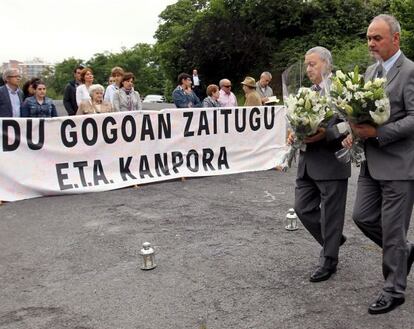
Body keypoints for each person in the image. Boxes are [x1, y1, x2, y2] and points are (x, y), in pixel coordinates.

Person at [342, 14, 414, 315]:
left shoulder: (410, 71)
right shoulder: (370, 71)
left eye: (377, 38)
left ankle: (394, 290)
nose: (371, 43)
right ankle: (404, 252)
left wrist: (379, 133)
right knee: (362, 216)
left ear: (395, 39)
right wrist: (352, 127)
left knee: (393, 230)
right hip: (372, 163)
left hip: (399, 164)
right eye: (369, 37)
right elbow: (361, 111)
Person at [291, 46, 350, 283]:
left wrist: (325, 133)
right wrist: (293, 133)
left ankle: (329, 261)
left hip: (331, 162)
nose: (308, 69)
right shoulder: (306, 92)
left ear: (327, 65)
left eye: (312, 64)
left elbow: (351, 125)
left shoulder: (343, 90)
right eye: (306, 65)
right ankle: (333, 239)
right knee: (302, 208)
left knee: (332, 216)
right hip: (306, 161)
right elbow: (297, 120)